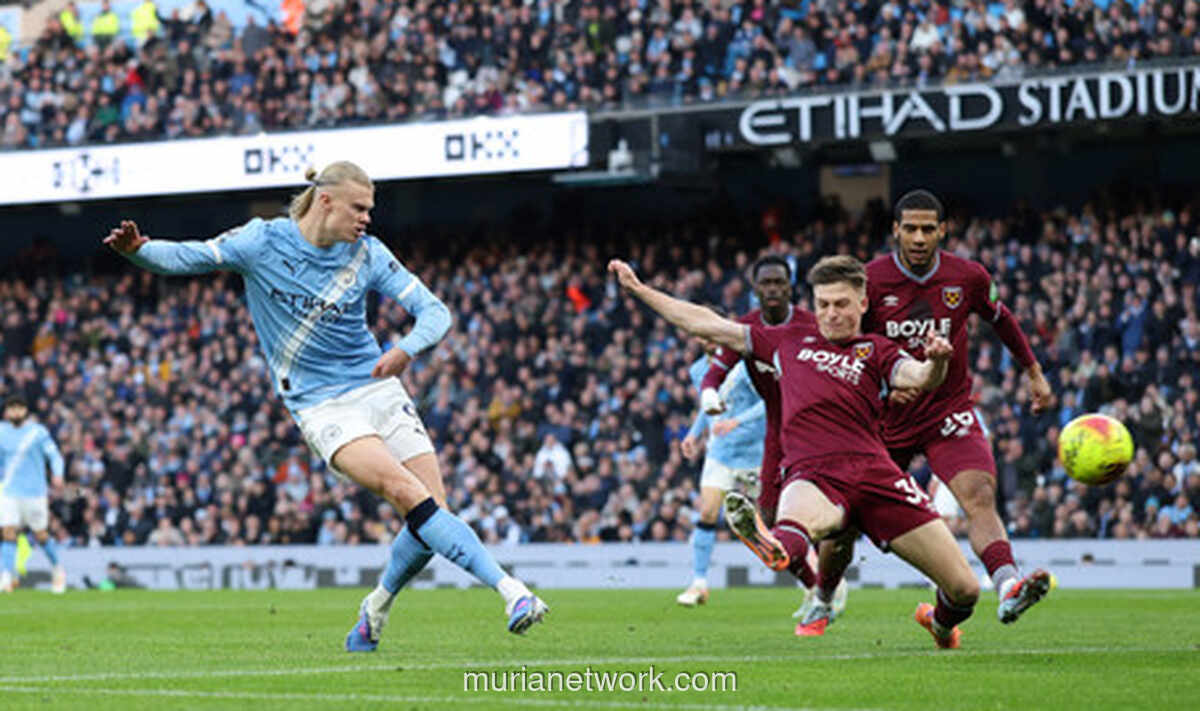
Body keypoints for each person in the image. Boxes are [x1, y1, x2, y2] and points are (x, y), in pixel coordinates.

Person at [105, 161, 548, 651]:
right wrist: (139, 251)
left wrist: (406, 349)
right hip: (321, 405)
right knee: (406, 491)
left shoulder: (367, 254)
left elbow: (434, 312)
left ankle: (375, 608)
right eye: (359, 208)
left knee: (432, 514)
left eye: (369, 209)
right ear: (325, 201)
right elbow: (188, 256)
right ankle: (512, 592)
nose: (366, 218)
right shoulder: (262, 241)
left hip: (378, 388)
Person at [610, 254, 980, 648]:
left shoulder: (876, 350)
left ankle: (939, 623)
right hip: (813, 472)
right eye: (823, 304)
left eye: (841, 304)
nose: (831, 314)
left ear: (862, 303)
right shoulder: (786, 341)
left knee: (965, 590)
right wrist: (639, 289)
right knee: (792, 524)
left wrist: (937, 362)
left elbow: (920, 377)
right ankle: (775, 544)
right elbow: (705, 323)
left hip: (877, 474)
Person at [801, 189, 1053, 630]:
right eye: (911, 229)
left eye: (927, 229)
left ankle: (1008, 584)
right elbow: (846, 345)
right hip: (885, 421)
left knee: (979, 494)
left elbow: (1002, 319)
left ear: (942, 231)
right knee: (844, 528)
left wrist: (1033, 372)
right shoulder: (870, 281)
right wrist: (880, 391)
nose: (919, 238)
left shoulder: (968, 277)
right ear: (896, 230)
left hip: (946, 410)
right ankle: (823, 596)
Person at [696, 255, 849, 633]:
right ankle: (816, 587)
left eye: (779, 282)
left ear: (790, 285)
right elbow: (716, 370)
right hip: (777, 434)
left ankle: (828, 583)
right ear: (755, 289)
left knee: (820, 515)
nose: (773, 289)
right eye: (766, 283)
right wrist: (709, 394)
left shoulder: (812, 324)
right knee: (767, 522)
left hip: (817, 432)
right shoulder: (746, 330)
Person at [676, 339, 764, 607]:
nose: (707, 339)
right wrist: (693, 435)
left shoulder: (744, 367)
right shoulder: (698, 370)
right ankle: (699, 583)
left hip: (755, 453)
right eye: (701, 334)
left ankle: (814, 582)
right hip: (720, 452)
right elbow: (708, 408)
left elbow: (767, 403)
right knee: (707, 513)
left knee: (770, 519)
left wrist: (737, 421)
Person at [0, 395, 67, 594]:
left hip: (35, 493)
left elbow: (54, 455)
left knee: (41, 535)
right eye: (12, 408)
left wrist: (58, 474)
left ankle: (57, 568)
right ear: (7, 412)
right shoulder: (2, 432)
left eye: (19, 407)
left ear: (25, 411)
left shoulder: (37, 433)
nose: (15, 412)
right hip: (10, 492)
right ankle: (7, 575)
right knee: (7, 531)